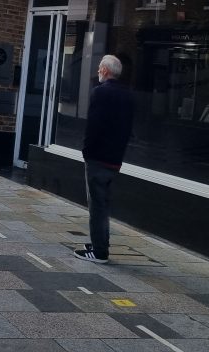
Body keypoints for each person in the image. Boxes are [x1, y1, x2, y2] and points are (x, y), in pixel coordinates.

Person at [75, 54, 134, 264]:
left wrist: (86, 151)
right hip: (115, 159)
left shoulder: (100, 93)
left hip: (98, 158)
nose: (98, 71)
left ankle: (99, 252)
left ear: (106, 71)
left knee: (97, 206)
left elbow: (94, 126)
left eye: (100, 68)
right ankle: (99, 242)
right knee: (103, 203)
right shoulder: (128, 95)